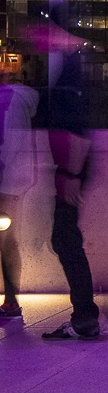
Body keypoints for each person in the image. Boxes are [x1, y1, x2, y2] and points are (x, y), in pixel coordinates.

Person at [33, 8, 103, 342]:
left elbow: (76, 128)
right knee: (66, 238)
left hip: (70, 168)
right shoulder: (73, 66)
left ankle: (85, 316)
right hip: (68, 168)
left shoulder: (73, 69)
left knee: (65, 239)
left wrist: (72, 173)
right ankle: (85, 316)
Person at [0, 70, 38, 320]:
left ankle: (12, 300)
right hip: (15, 182)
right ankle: (11, 299)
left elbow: (9, 142)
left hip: (7, 181)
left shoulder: (8, 100)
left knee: (7, 240)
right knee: (8, 240)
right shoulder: (21, 99)